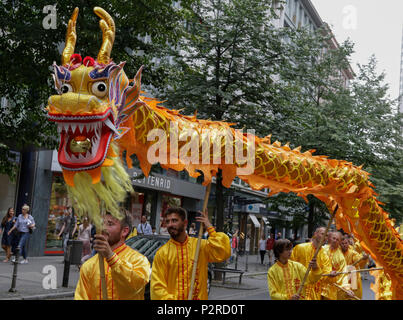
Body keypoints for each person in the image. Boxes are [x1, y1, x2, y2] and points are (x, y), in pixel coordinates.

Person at [150, 207, 231, 300]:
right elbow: (157, 288)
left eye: (174, 220)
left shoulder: (200, 246)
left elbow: (223, 251)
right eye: (167, 221)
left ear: (185, 223)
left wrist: (209, 226)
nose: (170, 224)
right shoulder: (162, 253)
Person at [75, 211, 151, 300]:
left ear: (124, 231)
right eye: (101, 223)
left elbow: (136, 286)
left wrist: (111, 257)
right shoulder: (88, 265)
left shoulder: (139, 260)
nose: (103, 227)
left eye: (109, 224)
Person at [290, 227, 334, 300]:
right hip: (298, 290)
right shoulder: (300, 248)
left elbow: (326, 272)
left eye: (326, 235)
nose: (324, 237)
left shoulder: (325, 255)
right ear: (315, 234)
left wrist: (330, 274)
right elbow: (290, 265)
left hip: (315, 293)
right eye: (322, 234)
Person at [321, 232, 354, 300]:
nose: (335, 240)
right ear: (330, 238)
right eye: (334, 238)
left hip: (330, 289)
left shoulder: (340, 257)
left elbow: (343, 274)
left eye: (337, 239)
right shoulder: (322, 249)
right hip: (318, 285)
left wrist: (347, 288)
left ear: (339, 242)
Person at [340, 234, 368, 299]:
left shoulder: (352, 252)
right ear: (339, 244)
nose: (344, 245)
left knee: (354, 296)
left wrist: (364, 258)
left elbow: (358, 259)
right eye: (342, 243)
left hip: (353, 278)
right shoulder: (337, 253)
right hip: (341, 278)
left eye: (346, 243)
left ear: (348, 243)